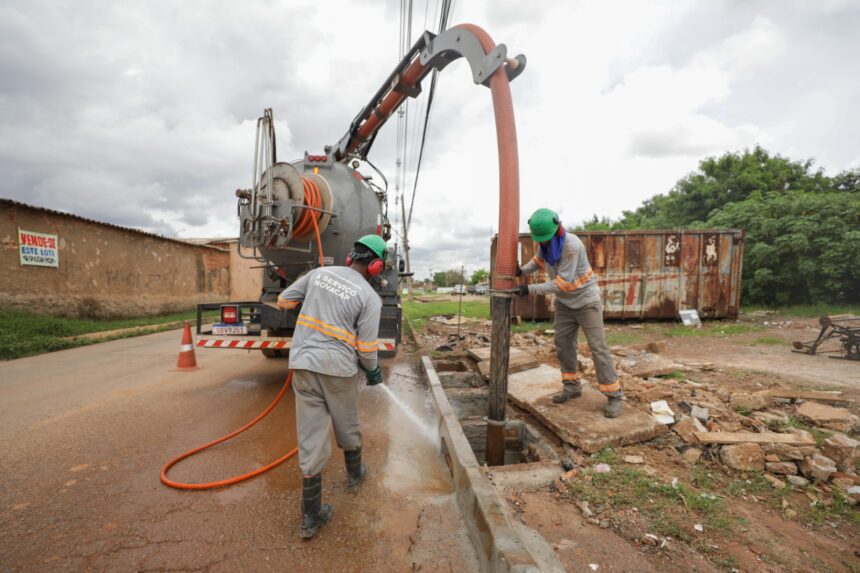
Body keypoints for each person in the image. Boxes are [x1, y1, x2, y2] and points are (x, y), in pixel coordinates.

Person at [277, 234, 387, 539]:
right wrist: (374, 372)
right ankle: (354, 477)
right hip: (337, 369)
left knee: (310, 435)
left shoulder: (317, 274)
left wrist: (313, 316)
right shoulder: (369, 297)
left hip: (302, 364)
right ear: (376, 267)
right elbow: (366, 348)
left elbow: (283, 300)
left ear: (351, 257)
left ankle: (310, 518)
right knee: (347, 423)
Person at [514, 208, 623, 418]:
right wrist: (522, 272)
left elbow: (562, 283)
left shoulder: (571, 245)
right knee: (563, 345)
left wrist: (529, 289)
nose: (543, 243)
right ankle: (572, 387)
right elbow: (537, 262)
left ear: (556, 227)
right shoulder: (545, 242)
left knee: (598, 347)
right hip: (565, 304)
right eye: (541, 240)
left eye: (546, 239)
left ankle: (615, 395)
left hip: (586, 302)